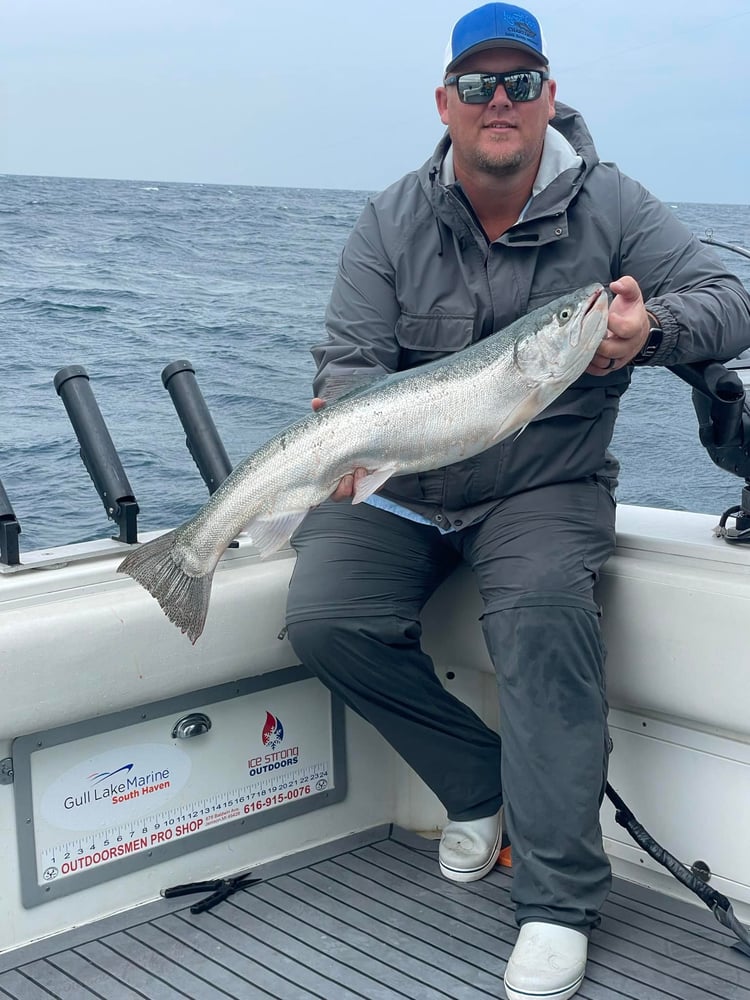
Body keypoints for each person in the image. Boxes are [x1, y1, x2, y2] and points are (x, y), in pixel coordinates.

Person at [285, 4, 750, 999]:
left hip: (545, 480)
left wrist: (649, 328)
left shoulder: (614, 205)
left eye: (522, 83)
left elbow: (730, 297)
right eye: (482, 85)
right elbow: (353, 355)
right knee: (324, 619)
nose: (503, 102)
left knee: (542, 624)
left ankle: (557, 900)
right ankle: (476, 783)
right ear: (447, 102)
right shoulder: (390, 219)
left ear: (550, 96)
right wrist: (349, 414)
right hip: (406, 485)